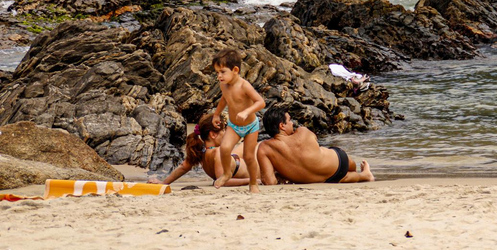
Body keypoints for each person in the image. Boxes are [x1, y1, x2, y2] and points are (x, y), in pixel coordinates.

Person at [257, 107, 375, 184]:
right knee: (349, 165)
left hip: (323, 180)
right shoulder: (302, 131)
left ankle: (364, 176)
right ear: (282, 126)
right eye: (290, 120)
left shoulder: (264, 148)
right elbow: (313, 141)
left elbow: (269, 182)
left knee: (342, 177)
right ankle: (365, 174)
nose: (292, 123)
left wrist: (281, 173)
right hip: (339, 161)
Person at [211, 49, 266, 193]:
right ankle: (227, 173)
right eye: (217, 72)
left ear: (235, 70)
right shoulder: (224, 85)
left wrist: (247, 111)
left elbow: (261, 102)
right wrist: (216, 114)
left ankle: (253, 183)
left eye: (222, 72)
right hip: (234, 125)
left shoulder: (244, 85)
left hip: (250, 126)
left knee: (248, 157)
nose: (219, 76)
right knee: (224, 148)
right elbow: (224, 99)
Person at [150, 113, 251, 186]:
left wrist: (164, 182)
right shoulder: (217, 152)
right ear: (213, 134)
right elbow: (223, 182)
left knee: (244, 146)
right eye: (223, 130)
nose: (225, 133)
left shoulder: (201, 151)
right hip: (252, 169)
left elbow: (183, 167)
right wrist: (251, 180)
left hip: (241, 164)